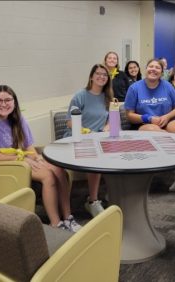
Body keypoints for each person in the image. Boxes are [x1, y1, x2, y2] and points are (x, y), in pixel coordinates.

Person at [0, 85, 80, 232]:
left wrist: (37, 158)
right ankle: (56, 223)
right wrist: (19, 159)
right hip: (6, 165)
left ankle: (68, 218)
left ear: (14, 102)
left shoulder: (19, 119)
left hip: (24, 160)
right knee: (48, 176)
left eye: (8, 100)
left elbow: (29, 147)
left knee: (58, 169)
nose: (3, 104)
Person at [124, 58, 175, 191]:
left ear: (161, 72)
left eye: (157, 68)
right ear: (146, 69)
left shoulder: (167, 86)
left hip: (166, 120)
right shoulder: (134, 88)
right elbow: (129, 115)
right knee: (161, 135)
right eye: (151, 66)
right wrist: (148, 118)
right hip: (145, 123)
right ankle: (170, 165)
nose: (153, 69)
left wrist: (167, 117)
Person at [64, 64, 113, 217]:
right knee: (96, 158)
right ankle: (92, 201)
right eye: (98, 74)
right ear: (91, 77)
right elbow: (69, 122)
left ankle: (114, 193)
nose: (101, 77)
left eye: (105, 75)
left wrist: (107, 126)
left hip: (98, 138)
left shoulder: (108, 97)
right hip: (78, 137)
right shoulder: (80, 95)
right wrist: (85, 132)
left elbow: (111, 118)